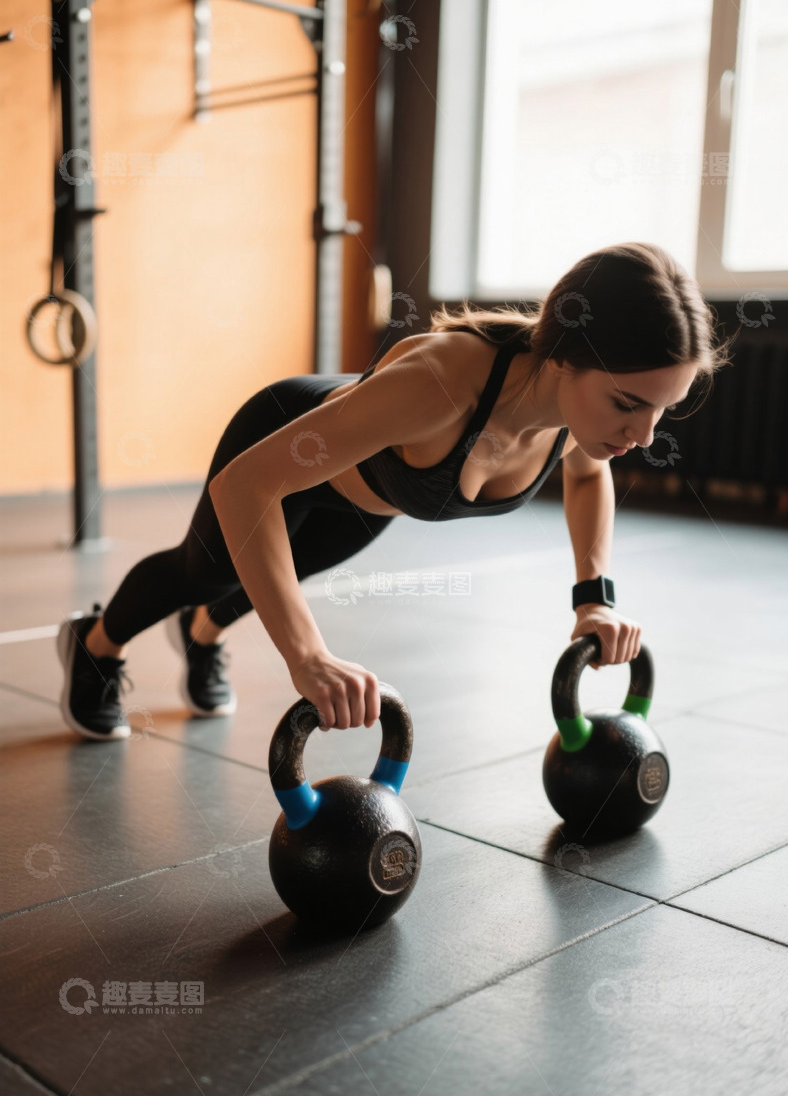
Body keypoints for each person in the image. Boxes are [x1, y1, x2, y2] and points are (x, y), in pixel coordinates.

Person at [57, 241, 732, 741]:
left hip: (370, 499)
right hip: (280, 443)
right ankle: (94, 646)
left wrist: (594, 600)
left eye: (661, 411)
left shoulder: (578, 422)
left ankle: (201, 636)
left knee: (270, 581)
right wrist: (308, 657)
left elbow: (588, 474)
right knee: (204, 573)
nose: (643, 435)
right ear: (564, 356)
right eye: (627, 404)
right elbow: (247, 486)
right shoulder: (441, 384)